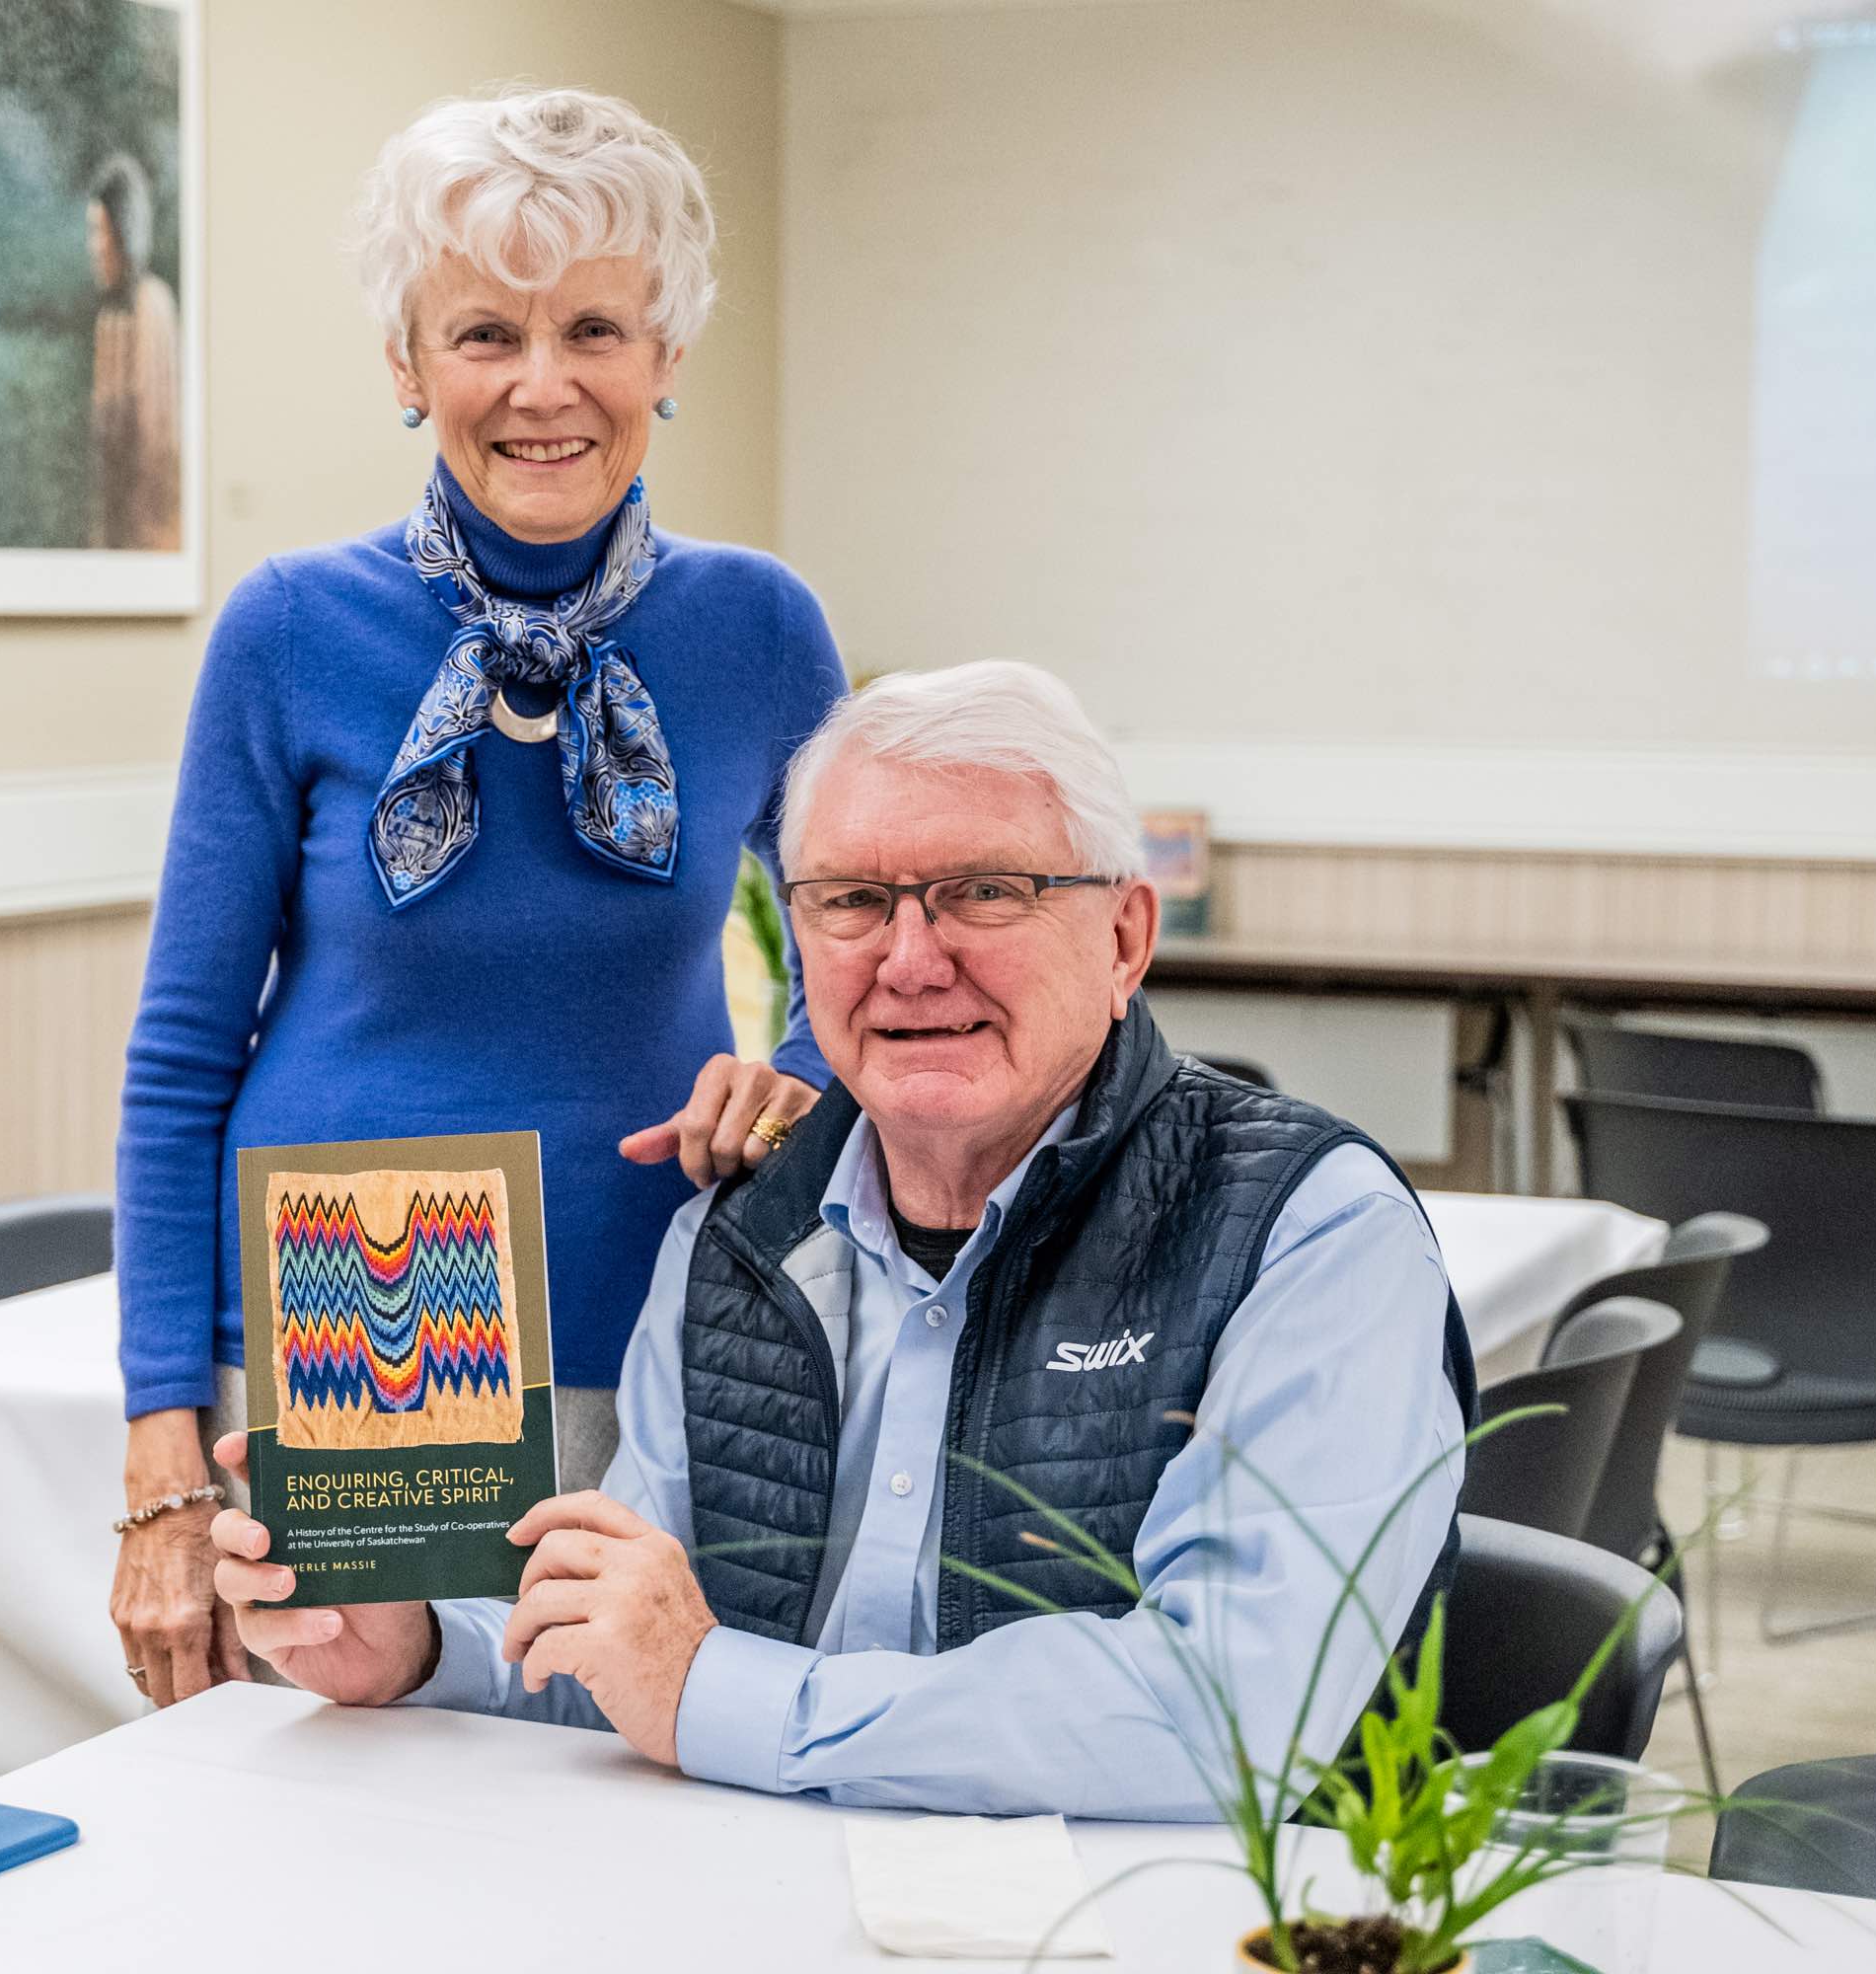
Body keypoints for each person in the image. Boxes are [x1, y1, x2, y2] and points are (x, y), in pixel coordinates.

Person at [206, 662, 1475, 1818]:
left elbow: (1232, 1717)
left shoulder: (1309, 1233)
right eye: (855, 901)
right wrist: (421, 1645)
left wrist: (717, 1691)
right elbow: (630, 1657)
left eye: (988, 891)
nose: (913, 958)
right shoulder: (729, 1236)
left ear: (1125, 937)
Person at [110, 88, 847, 1710]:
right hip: (340, 1342)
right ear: (405, 365)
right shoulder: (289, 629)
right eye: (483, 332)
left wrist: (801, 1077)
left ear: (666, 354)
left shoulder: (763, 630)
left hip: (662, 1316)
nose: (541, 385)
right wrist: (164, 1464)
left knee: (634, 1808)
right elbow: (177, 1064)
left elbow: (876, 947)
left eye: (594, 326)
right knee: (341, 1841)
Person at [85, 151, 184, 552]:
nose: (94, 247)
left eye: (101, 231)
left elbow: (153, 452)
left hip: (148, 538)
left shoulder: (151, 304)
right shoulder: (109, 318)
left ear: (124, 232)